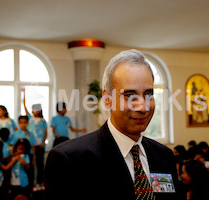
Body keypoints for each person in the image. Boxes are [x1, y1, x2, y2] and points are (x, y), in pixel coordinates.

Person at [44, 49, 180, 200]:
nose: (143, 107)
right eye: (130, 96)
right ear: (107, 100)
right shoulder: (70, 159)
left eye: (148, 94)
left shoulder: (164, 155)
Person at [23, 89, 47, 190]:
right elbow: (24, 105)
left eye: (36, 109)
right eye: (33, 109)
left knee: (40, 164)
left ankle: (40, 183)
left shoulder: (42, 120)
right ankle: (31, 183)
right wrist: (23, 93)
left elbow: (46, 133)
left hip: (40, 145)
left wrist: (43, 142)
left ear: (40, 110)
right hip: (31, 145)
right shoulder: (29, 118)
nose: (34, 111)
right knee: (31, 163)